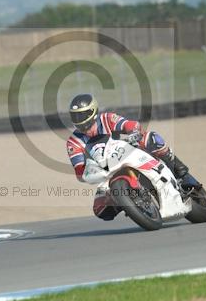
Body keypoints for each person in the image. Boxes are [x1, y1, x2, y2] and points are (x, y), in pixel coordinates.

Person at [66, 93, 198, 220]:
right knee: (101, 210)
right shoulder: (73, 142)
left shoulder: (107, 119)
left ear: (93, 111)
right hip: (106, 172)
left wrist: (134, 131)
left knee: (149, 137)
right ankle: (129, 202)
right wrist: (87, 173)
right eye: (76, 116)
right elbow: (79, 170)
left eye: (82, 114)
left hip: (127, 152)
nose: (80, 120)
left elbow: (129, 125)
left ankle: (178, 168)